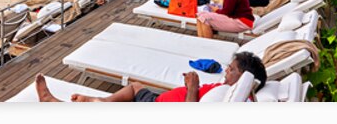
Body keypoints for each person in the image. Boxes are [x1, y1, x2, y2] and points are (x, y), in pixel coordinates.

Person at [36, 52, 266, 103]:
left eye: (231, 69)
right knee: (135, 86)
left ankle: (54, 103)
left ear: (243, 76)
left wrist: (192, 86)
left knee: (129, 96)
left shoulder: (228, 94)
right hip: (163, 100)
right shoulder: (237, 92)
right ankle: (101, 102)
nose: (226, 70)